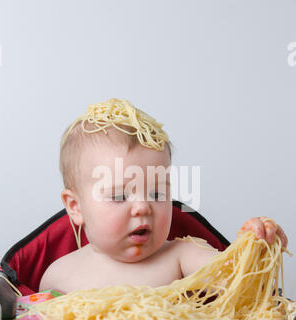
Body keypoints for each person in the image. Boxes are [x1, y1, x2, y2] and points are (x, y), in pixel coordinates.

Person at [39, 98, 288, 293]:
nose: (143, 207)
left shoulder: (181, 257)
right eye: (118, 196)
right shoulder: (58, 276)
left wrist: (257, 250)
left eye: (157, 193)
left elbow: (242, 283)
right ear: (76, 207)